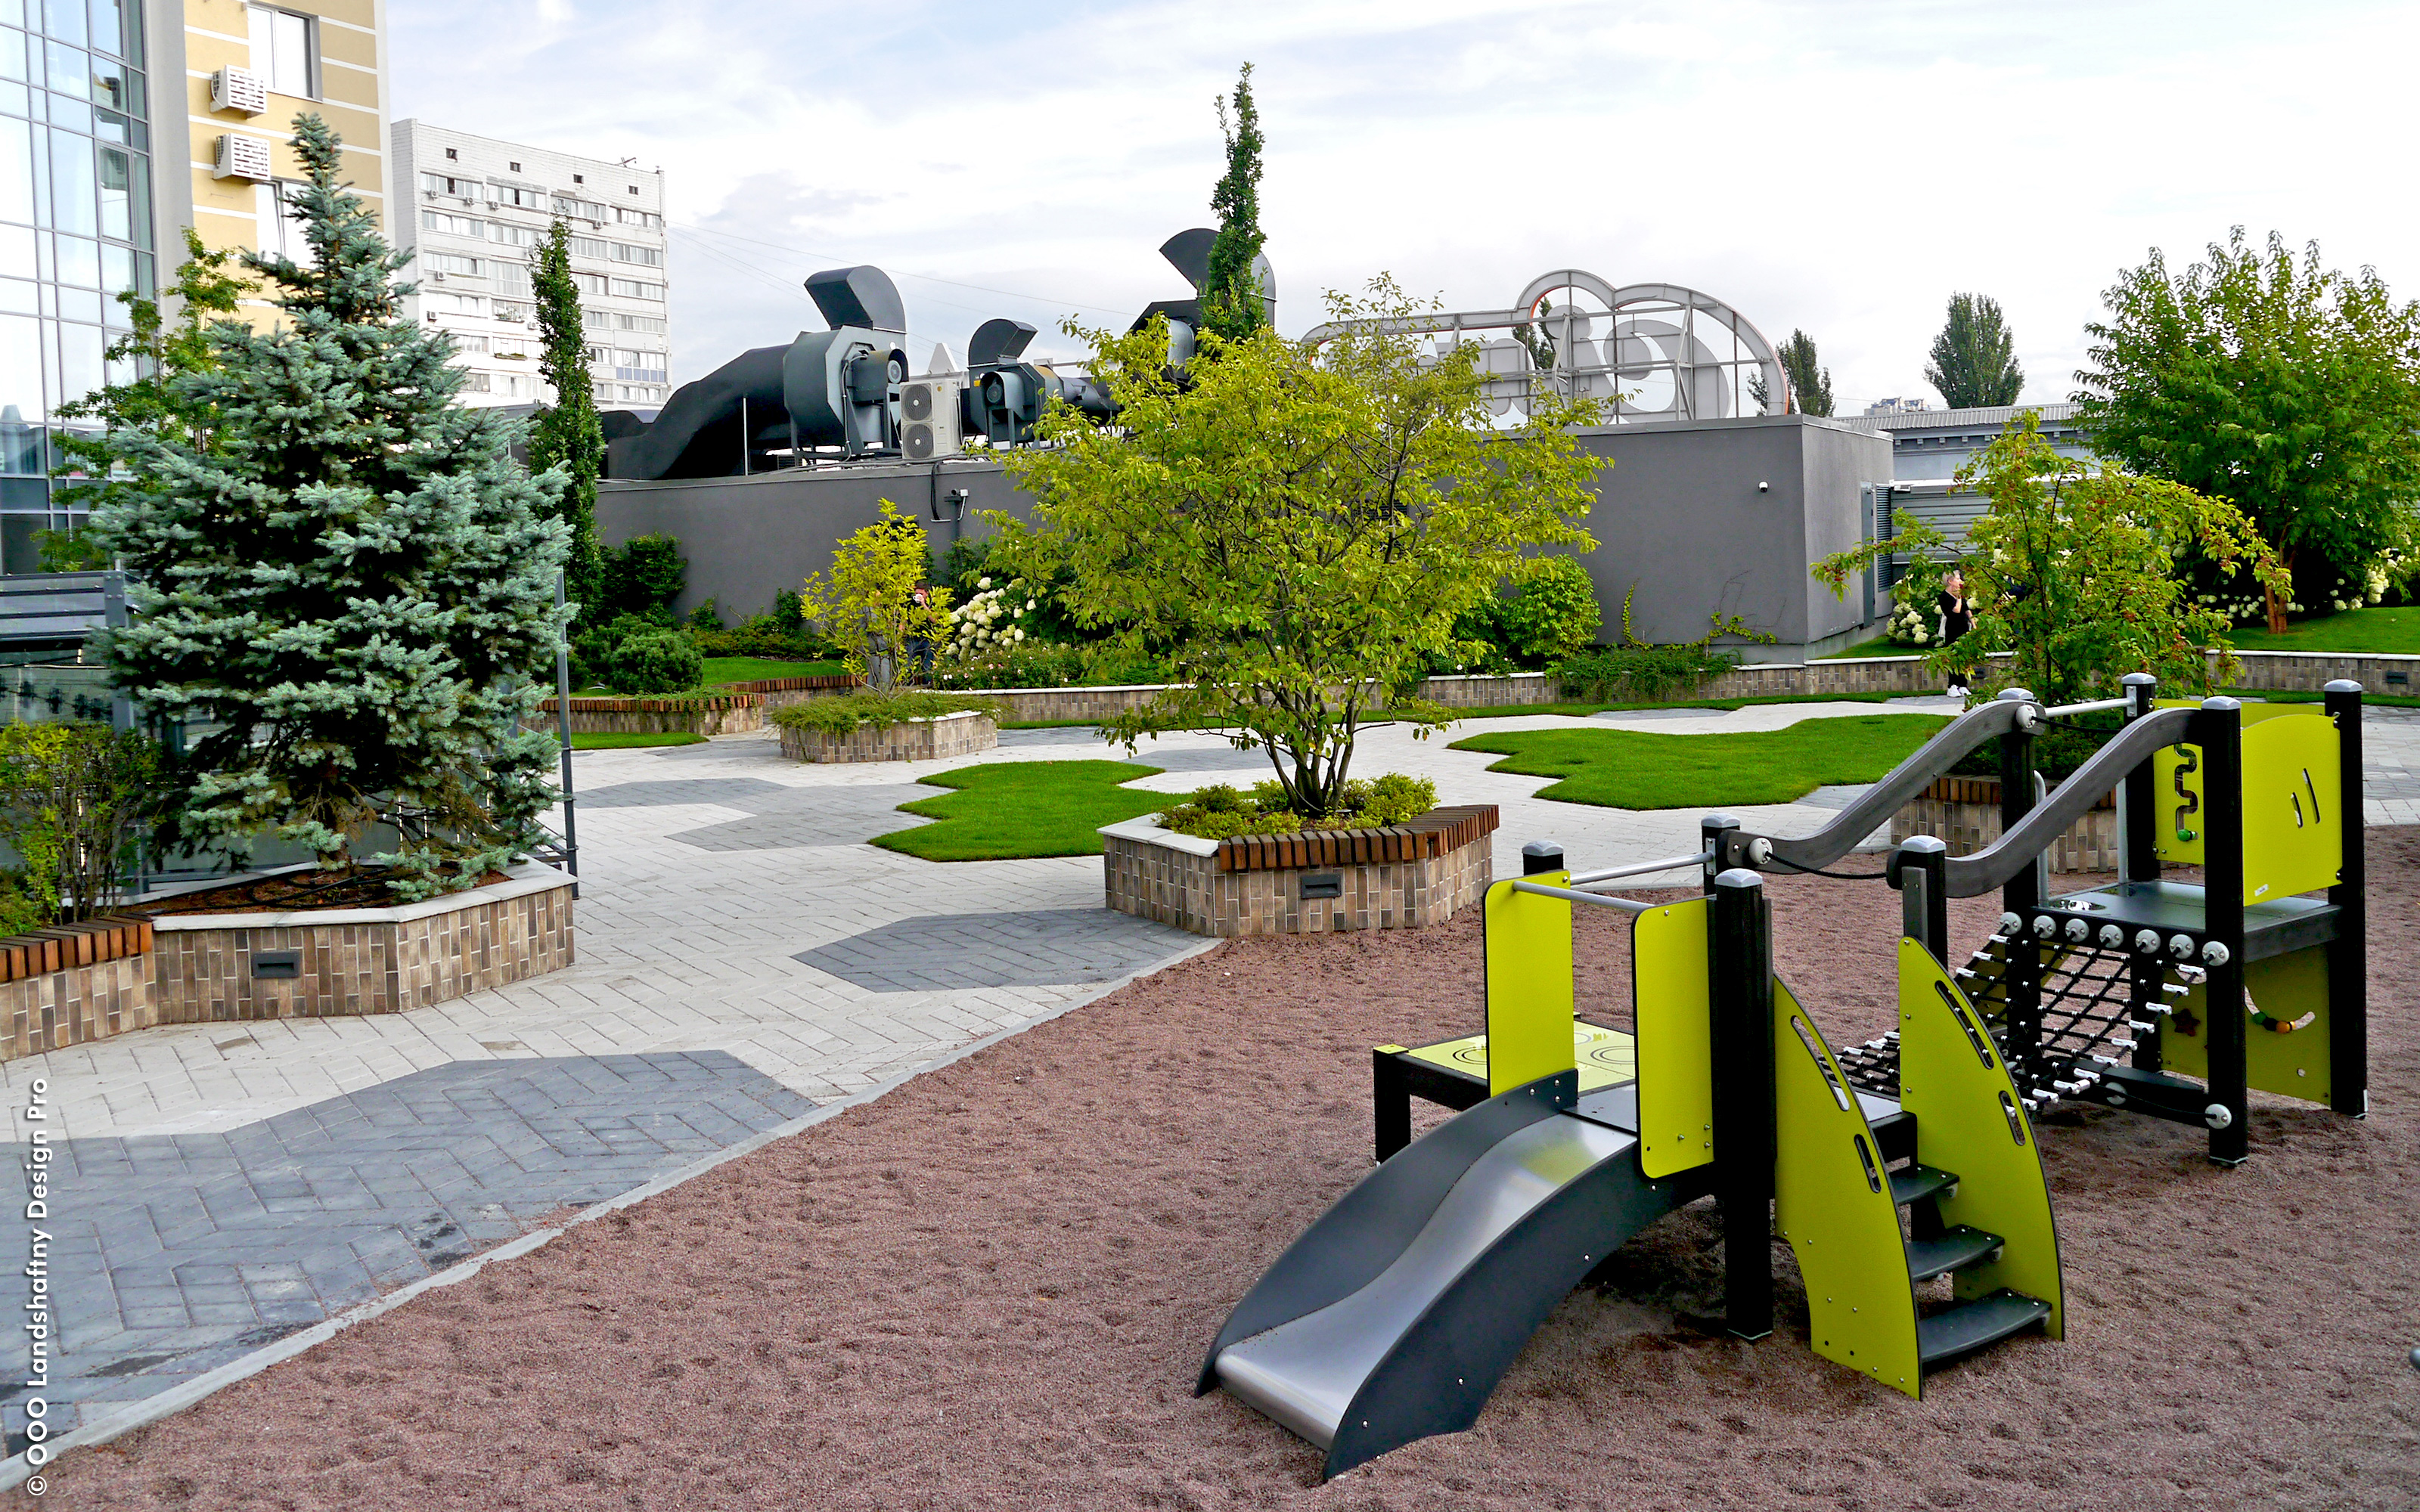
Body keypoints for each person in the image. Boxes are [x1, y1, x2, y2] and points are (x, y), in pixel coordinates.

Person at [1937, 569, 1976, 696]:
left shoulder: (1960, 595)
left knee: (1964, 656)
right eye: (1958, 579)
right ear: (1950, 581)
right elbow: (1956, 611)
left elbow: (1966, 610)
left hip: (1963, 628)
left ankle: (1963, 685)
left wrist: (1974, 625)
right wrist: (1959, 597)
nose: (1961, 581)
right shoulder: (1944, 597)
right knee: (1953, 657)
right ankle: (1952, 685)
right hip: (1953, 630)